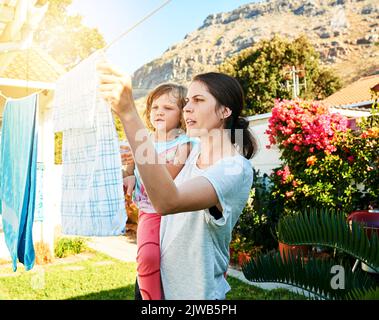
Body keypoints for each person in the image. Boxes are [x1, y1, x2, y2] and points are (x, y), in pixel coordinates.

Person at [98, 64, 256, 300]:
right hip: (155, 281)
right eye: (187, 102)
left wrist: (128, 112)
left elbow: (167, 201)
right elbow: (151, 176)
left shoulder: (235, 169)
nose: (187, 108)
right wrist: (132, 168)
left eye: (199, 100)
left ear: (224, 111)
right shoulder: (189, 153)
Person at [121, 83, 194, 300]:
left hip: (173, 213)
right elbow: (131, 164)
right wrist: (129, 173)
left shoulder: (184, 144)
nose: (159, 111)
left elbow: (166, 179)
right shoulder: (144, 141)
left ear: (182, 113)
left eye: (168, 108)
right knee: (148, 256)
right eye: (155, 107)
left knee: (173, 262)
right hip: (149, 211)